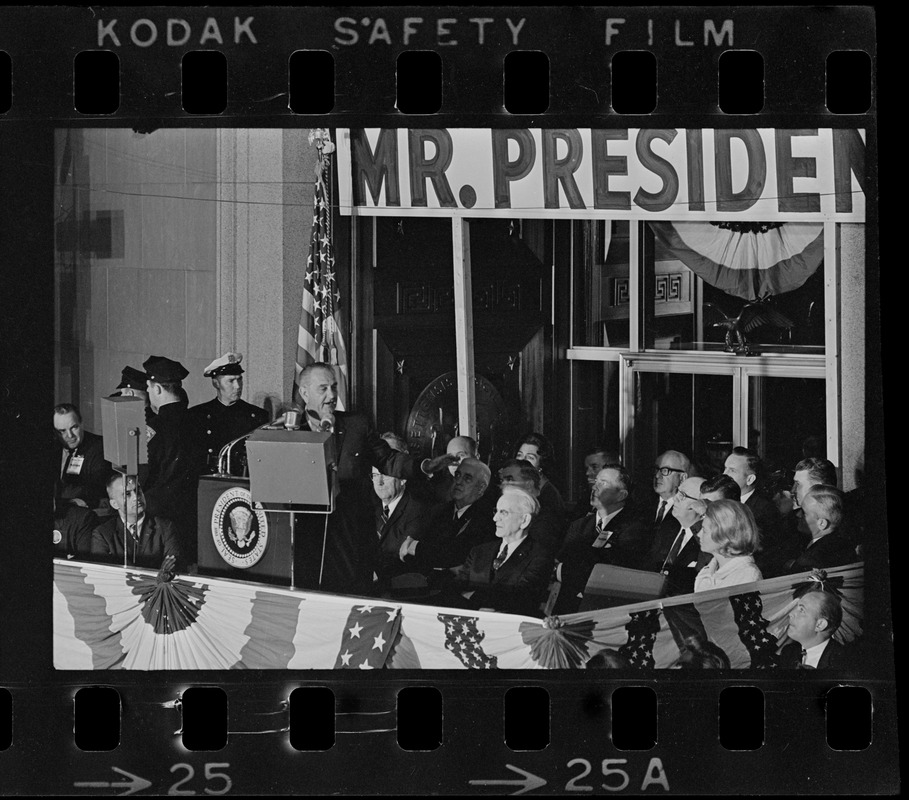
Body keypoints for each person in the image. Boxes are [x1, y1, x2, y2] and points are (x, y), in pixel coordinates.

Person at [292, 363, 451, 593]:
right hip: (307, 537)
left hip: (352, 538)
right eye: (323, 388)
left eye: (334, 387)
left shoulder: (356, 425)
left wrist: (425, 466)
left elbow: (388, 459)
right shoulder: (290, 431)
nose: (332, 395)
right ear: (304, 393)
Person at [554, 465, 650, 614]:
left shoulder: (633, 528)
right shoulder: (579, 525)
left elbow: (612, 572)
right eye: (596, 482)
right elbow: (562, 562)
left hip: (605, 608)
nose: (594, 487)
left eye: (603, 483)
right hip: (569, 605)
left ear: (621, 495)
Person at [447, 486, 554, 617]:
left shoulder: (540, 556)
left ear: (524, 520)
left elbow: (520, 597)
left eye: (504, 512)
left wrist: (474, 596)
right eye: (496, 511)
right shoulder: (479, 551)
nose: (495, 518)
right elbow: (456, 588)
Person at [142, 356, 206, 565]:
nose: (148, 393)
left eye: (148, 388)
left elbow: (146, 472)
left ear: (158, 389)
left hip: (160, 518)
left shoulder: (154, 428)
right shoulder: (199, 422)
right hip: (194, 514)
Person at [399, 457, 496, 575]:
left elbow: (454, 555)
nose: (458, 481)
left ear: (481, 487)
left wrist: (413, 546)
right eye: (457, 475)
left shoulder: (487, 519)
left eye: (467, 478)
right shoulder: (439, 511)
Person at [190, 352, 268, 475]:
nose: (237, 386)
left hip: (242, 480)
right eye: (231, 381)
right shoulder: (197, 415)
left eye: (239, 379)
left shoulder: (257, 416)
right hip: (209, 480)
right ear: (216, 383)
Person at [91, 473, 183, 570]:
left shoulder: (165, 527)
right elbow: (102, 573)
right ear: (114, 504)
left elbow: (173, 568)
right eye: (127, 494)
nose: (136, 497)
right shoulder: (103, 534)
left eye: (138, 490)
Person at [368, 465, 429, 593]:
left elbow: (402, 556)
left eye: (385, 475)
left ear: (402, 480)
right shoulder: (369, 505)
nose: (379, 482)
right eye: (375, 476)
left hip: (397, 587)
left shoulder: (417, 510)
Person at [651, 476, 711, 596]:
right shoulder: (667, 527)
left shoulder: (705, 542)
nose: (675, 498)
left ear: (699, 506)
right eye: (678, 492)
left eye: (682, 495)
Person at [783, 485, 857, 573]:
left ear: (822, 523)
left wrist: (794, 565)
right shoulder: (841, 541)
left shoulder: (810, 561)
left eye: (804, 513)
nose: (798, 515)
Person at [497, 459, 565, 554]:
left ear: (529, 484)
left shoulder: (546, 514)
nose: (503, 485)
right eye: (502, 480)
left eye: (509, 480)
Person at [694, 499, 762, 592]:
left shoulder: (747, 576)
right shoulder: (707, 572)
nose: (699, 534)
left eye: (704, 530)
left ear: (724, 536)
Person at [53, 403, 111, 511]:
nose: (70, 435)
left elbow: (95, 488)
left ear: (82, 424)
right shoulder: (52, 447)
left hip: (84, 511)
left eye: (74, 427)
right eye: (62, 431)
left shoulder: (99, 447)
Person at [780, 582, 850, 668]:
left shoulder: (843, 662)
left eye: (801, 610)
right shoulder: (788, 652)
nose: (791, 614)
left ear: (819, 625)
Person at [516, 432, 565, 521]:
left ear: (541, 465)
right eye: (519, 455)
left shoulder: (548, 497)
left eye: (530, 457)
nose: (522, 461)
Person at [649, 449, 691, 549]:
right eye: (656, 469)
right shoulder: (643, 506)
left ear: (682, 478)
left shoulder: (688, 511)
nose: (657, 476)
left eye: (665, 471)